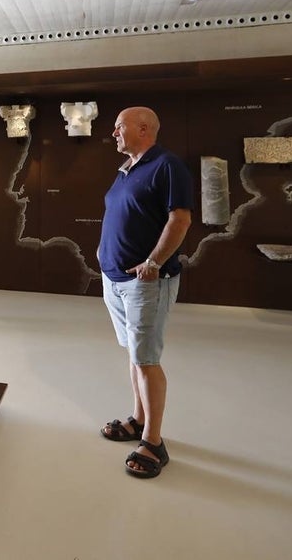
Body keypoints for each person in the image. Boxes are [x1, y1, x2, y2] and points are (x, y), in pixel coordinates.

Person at [97, 107, 192, 478]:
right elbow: (119, 214)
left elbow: (180, 219)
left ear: (142, 129)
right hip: (115, 278)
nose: (114, 132)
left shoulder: (167, 165)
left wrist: (153, 261)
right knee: (136, 355)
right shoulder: (126, 169)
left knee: (147, 359)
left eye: (119, 127)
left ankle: (153, 441)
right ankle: (138, 420)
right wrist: (103, 250)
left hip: (145, 282)